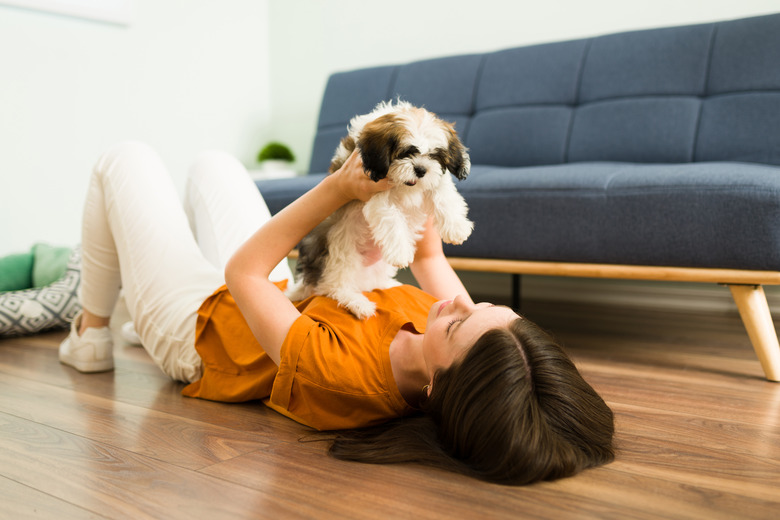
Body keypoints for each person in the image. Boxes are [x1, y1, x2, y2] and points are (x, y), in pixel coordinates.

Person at [61, 141, 615, 485]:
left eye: (458, 320)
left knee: (123, 160)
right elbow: (428, 255)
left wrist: (334, 189)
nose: (457, 303)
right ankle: (144, 286)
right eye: (495, 307)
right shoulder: (464, 346)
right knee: (213, 165)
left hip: (206, 330)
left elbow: (243, 274)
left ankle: (93, 332)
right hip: (287, 289)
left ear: (439, 387)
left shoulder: (343, 376)